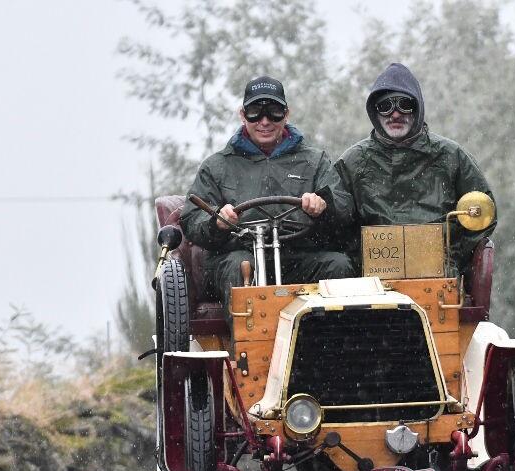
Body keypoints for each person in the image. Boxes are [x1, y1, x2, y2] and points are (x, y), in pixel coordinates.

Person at [180, 76, 354, 310]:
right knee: (240, 266)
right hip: (239, 255)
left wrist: (323, 207)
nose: (264, 121)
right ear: (242, 115)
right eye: (255, 112)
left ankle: (330, 342)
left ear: (286, 114)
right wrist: (217, 222)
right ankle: (249, 344)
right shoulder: (217, 166)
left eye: (273, 112)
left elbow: (344, 209)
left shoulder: (315, 161)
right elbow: (192, 219)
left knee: (339, 264)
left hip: (298, 257)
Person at [335, 63, 496, 275]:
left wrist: (452, 257)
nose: (394, 114)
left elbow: (483, 214)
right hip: (372, 279)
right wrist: (361, 261)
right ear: (374, 112)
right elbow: (336, 221)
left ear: (417, 107)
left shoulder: (450, 155)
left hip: (439, 275)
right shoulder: (353, 161)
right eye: (385, 106)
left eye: (404, 104)